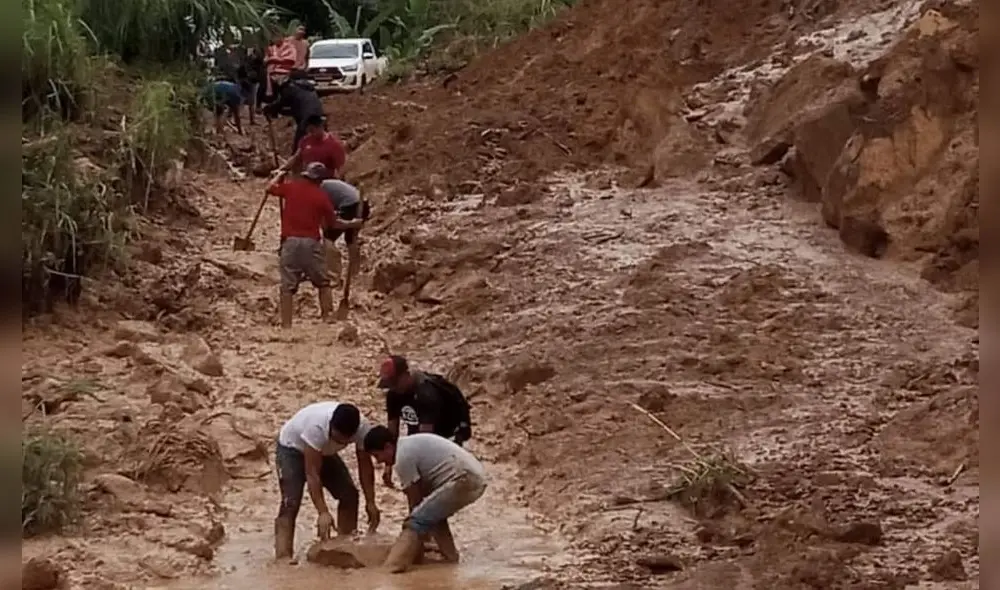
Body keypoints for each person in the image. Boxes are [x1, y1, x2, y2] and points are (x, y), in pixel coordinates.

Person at [364, 427, 487, 573]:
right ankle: (451, 560)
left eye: (377, 455)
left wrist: (414, 542)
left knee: (415, 520)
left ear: (388, 447)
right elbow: (424, 507)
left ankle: (392, 567)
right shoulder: (407, 445)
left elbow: (415, 503)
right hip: (473, 476)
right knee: (432, 516)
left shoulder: (403, 457)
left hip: (464, 479)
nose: (378, 461)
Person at [274, 402, 382, 560]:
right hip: (292, 448)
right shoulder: (316, 428)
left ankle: (345, 546)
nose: (341, 443)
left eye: (344, 442)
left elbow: (365, 466)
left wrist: (371, 501)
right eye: (336, 438)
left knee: (349, 494)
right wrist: (322, 512)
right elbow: (312, 474)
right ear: (330, 425)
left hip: (325, 451)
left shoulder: (363, 429)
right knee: (290, 502)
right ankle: (283, 557)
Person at [265, 161, 362, 327]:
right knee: (323, 282)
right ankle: (327, 318)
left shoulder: (291, 188)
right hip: (311, 244)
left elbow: (269, 188)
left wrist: (279, 175)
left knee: (287, 286)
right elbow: (334, 224)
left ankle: (286, 325)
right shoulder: (322, 197)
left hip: (290, 243)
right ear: (320, 180)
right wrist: (352, 224)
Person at [376, 355, 473, 487]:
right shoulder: (394, 395)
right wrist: (389, 466)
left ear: (406, 375)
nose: (393, 388)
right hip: (418, 435)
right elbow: (392, 431)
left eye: (394, 383)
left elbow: (424, 440)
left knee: (435, 486)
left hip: (444, 439)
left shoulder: (426, 394)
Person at [263, 71, 325, 155]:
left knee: (299, 145)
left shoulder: (290, 88)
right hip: (318, 115)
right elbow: (295, 109)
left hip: (307, 118)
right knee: (320, 141)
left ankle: (297, 164)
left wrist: (268, 109)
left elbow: (281, 104)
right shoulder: (305, 88)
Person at [264, 29, 296, 101]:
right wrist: (271, 59)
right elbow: (266, 61)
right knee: (273, 97)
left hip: (285, 76)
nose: (276, 39)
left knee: (285, 96)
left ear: (282, 37)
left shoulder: (290, 47)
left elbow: (290, 60)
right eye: (274, 37)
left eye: (278, 37)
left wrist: (273, 59)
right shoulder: (271, 48)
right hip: (272, 77)